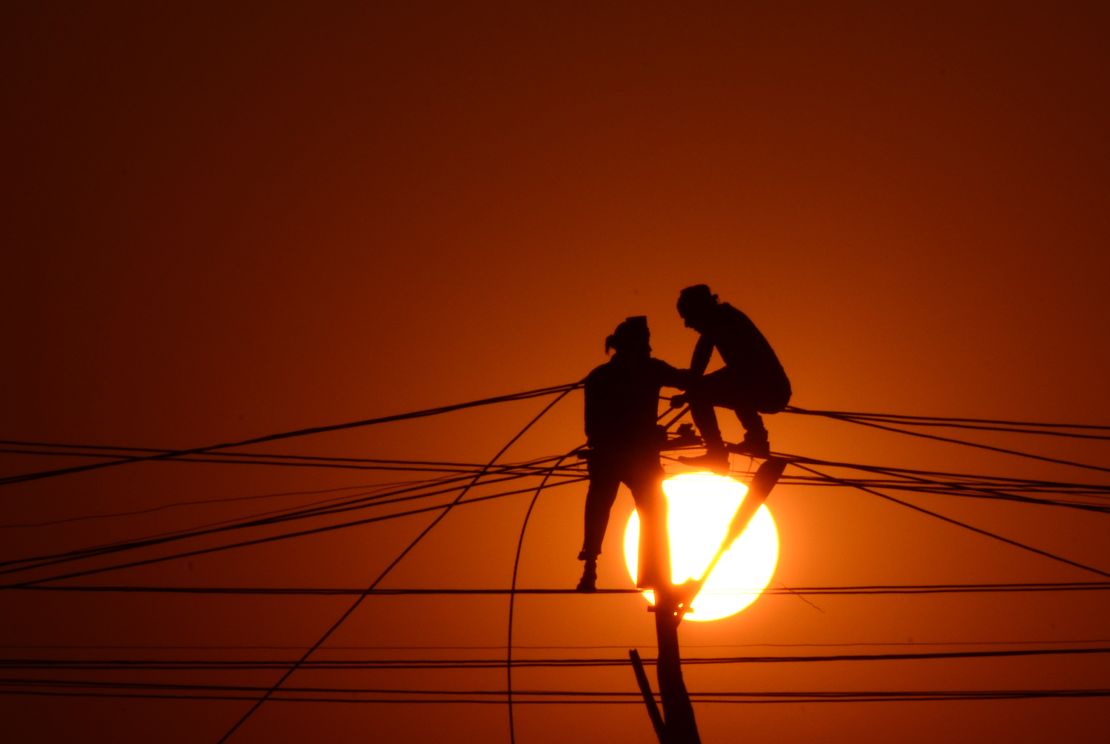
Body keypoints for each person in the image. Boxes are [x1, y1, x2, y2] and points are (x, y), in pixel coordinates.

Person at [576, 316, 688, 592]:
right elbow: (687, 380)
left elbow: (591, 426)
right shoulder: (650, 369)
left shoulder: (598, 376)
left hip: (608, 454)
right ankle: (655, 577)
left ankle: (590, 571)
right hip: (635, 456)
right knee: (653, 510)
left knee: (600, 506)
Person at [676, 284, 791, 469]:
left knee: (699, 394)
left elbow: (706, 370)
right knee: (705, 390)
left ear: (699, 309)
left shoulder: (723, 322)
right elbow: (699, 368)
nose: (687, 324)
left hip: (768, 389)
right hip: (768, 388)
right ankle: (756, 439)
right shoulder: (723, 319)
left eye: (687, 316)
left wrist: (690, 391)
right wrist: (689, 390)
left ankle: (716, 453)